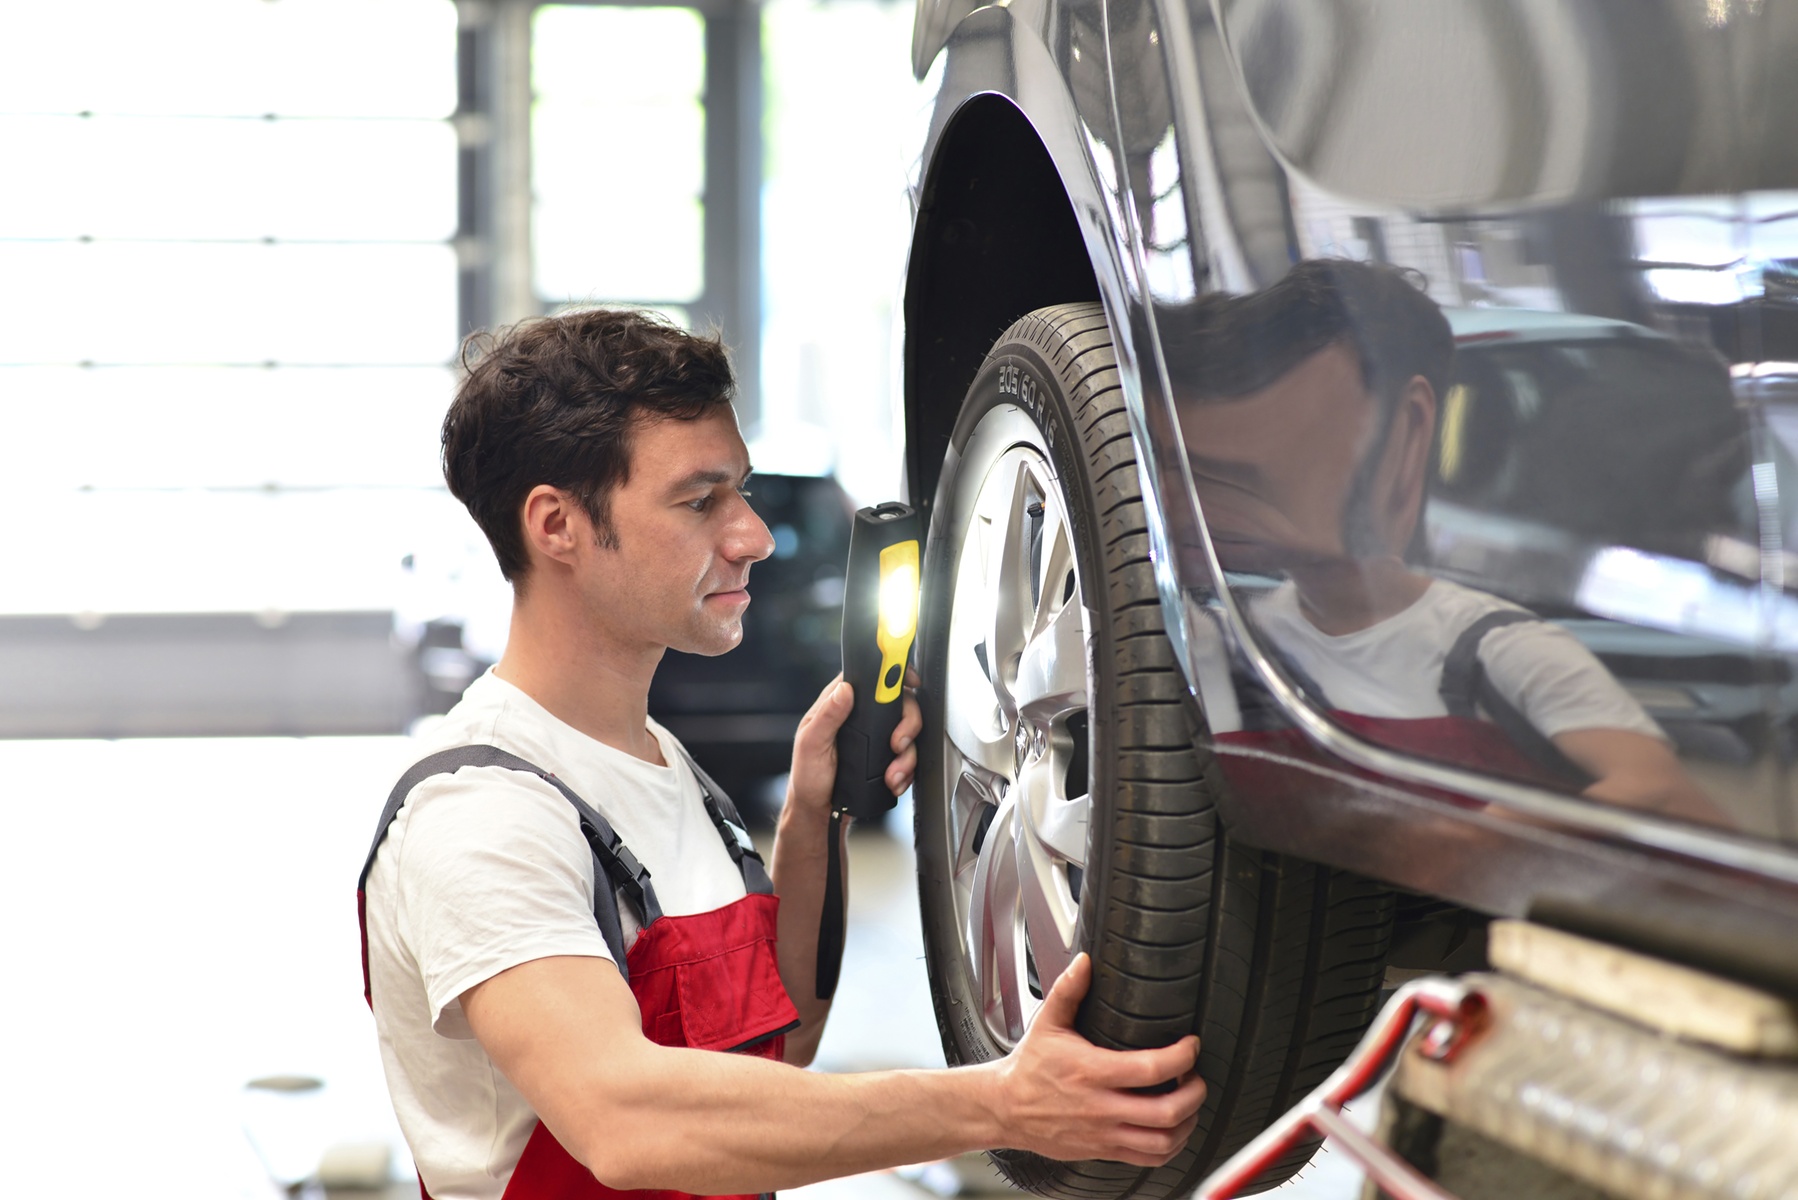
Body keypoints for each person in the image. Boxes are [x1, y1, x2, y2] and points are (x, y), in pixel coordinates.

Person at [357, 308, 1206, 1200]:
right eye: (700, 501)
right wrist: (1002, 1104)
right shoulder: (481, 811)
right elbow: (627, 1121)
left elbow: (776, 1047)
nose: (754, 537)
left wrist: (812, 816)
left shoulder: (667, 768)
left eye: (743, 492)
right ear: (556, 525)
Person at [1166, 259, 1726, 828]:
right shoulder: (1234, 638)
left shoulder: (1496, 646)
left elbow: (1657, 789)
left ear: (1407, 436)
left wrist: (1475, 841)